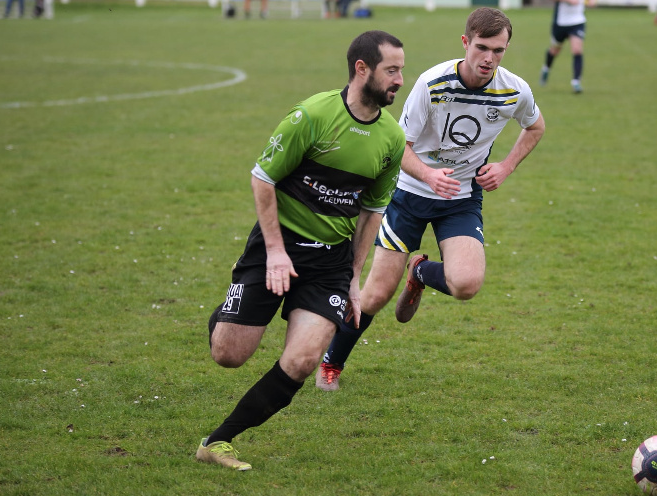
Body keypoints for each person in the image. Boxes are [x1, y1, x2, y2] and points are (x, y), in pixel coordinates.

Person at [195, 30, 406, 471]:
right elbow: (262, 178)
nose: (399, 79)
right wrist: (274, 252)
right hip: (278, 249)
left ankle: (218, 441)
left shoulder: (390, 138)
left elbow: (371, 212)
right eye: (392, 70)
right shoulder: (312, 115)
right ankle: (231, 305)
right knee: (228, 355)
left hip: (329, 262)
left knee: (304, 359)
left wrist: (353, 275)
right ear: (361, 69)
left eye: (401, 70)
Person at [316, 7, 546, 391]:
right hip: (409, 194)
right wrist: (427, 174)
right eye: (483, 47)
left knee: (467, 284)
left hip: (461, 199)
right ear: (465, 43)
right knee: (374, 296)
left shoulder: (514, 90)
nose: (489, 58)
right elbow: (398, 146)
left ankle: (420, 272)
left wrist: (506, 166)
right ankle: (332, 362)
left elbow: (536, 126)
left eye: (499, 50)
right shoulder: (431, 84)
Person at [539, 0, 598, 94]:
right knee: (554, 50)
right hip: (561, 23)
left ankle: (576, 82)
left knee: (577, 50)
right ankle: (546, 68)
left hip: (577, 22)